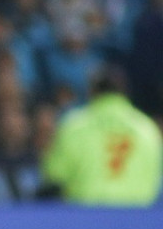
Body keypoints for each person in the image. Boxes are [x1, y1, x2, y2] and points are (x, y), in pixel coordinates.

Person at [41, 66, 163, 206]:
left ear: (91, 91)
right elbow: (156, 181)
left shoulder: (73, 126)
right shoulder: (148, 130)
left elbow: (53, 176)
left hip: (87, 221)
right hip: (139, 220)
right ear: (124, 92)